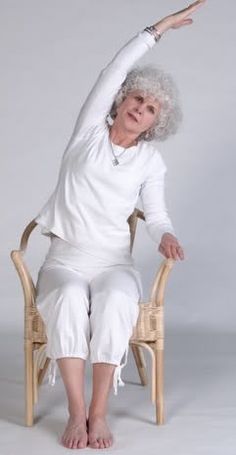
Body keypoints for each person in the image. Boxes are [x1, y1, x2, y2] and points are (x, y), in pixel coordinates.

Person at [34, 0, 205, 449]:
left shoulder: (150, 160)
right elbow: (114, 67)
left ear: (155, 123)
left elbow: (157, 214)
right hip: (65, 259)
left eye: (150, 108)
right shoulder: (88, 132)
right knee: (69, 296)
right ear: (122, 99)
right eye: (137, 98)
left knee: (114, 299)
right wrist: (159, 29)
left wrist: (164, 233)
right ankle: (74, 412)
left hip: (114, 262)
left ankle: (98, 413)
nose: (140, 108)